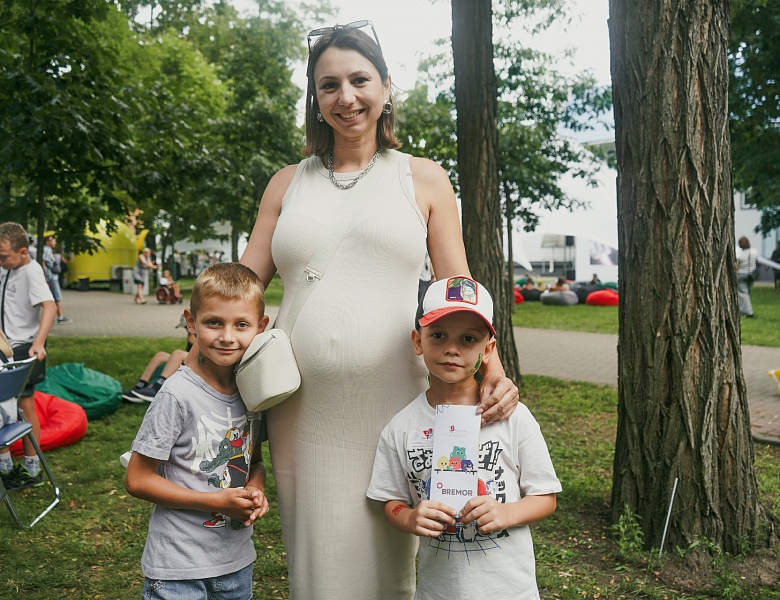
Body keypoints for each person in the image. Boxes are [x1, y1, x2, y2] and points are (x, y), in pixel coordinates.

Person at [238, 21, 520, 599]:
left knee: (395, 549)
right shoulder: (285, 185)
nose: (346, 97)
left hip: (398, 400)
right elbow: (241, 286)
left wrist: (491, 367)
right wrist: (196, 354)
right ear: (315, 100)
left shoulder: (424, 178)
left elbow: (458, 290)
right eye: (329, 85)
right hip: (300, 406)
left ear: (387, 88)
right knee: (317, 560)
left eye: (359, 80)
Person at [367, 276, 561, 599]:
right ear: (418, 341)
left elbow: (546, 497)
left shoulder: (514, 418)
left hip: (511, 591)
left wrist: (505, 513)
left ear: (488, 349)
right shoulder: (401, 428)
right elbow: (392, 502)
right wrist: (412, 518)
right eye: (438, 335)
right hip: (439, 591)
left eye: (468, 339)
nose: (452, 349)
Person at [124, 262, 271, 598]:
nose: (227, 336)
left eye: (242, 324)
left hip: (236, 564)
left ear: (260, 327)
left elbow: (255, 462)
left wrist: (256, 489)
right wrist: (214, 500)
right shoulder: (177, 395)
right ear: (191, 323)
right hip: (178, 568)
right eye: (213, 322)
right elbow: (137, 478)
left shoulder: (253, 391)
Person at [0, 222, 56, 490]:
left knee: (24, 405)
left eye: (4, 256)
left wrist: (39, 342)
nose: (0, 260)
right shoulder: (6, 267)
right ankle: (5, 466)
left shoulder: (31, 271)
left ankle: (33, 468)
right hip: (3, 346)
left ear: (23, 252)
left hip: (23, 347)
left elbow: (49, 305)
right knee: (3, 408)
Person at [122, 324, 195, 403]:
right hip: (191, 359)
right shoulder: (191, 335)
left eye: (186, 327)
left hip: (203, 362)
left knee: (178, 353)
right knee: (160, 355)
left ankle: (157, 387)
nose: (186, 330)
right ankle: (140, 386)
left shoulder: (201, 335)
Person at [42, 235, 73, 324]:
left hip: (50, 277)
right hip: (51, 277)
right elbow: (43, 263)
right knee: (57, 297)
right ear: (47, 242)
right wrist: (43, 276)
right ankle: (60, 317)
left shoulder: (47, 250)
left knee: (53, 297)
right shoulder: (47, 250)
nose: (54, 242)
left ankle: (52, 318)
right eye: (52, 241)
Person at [736, 236, 758, 318]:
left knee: (743, 293)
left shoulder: (740, 254)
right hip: (752, 274)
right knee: (747, 292)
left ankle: (748, 312)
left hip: (742, 274)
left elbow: (737, 266)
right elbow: (756, 261)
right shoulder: (754, 251)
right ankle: (744, 309)